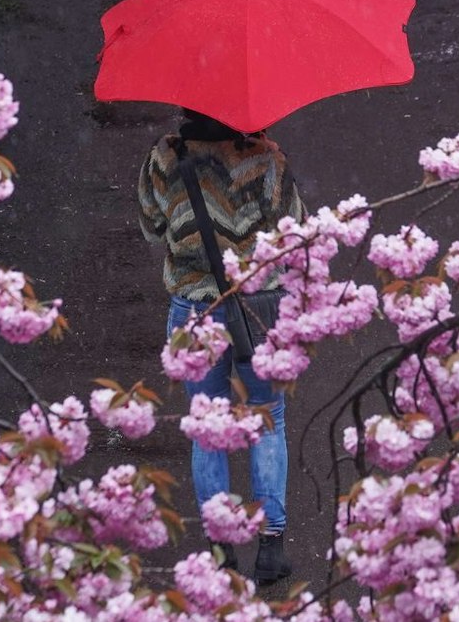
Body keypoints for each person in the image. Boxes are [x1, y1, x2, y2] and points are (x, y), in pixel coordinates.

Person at [138, 107, 305, 585]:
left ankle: (220, 545)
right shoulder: (267, 158)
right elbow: (294, 229)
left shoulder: (166, 156)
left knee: (207, 425)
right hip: (257, 305)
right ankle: (271, 545)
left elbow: (152, 225)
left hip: (194, 307)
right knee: (267, 417)